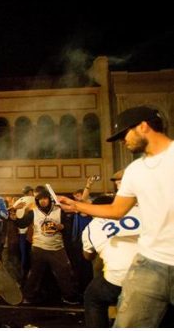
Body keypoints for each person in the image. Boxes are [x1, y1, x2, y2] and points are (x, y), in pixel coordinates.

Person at [58, 106, 173, 327]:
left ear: (143, 126)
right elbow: (116, 211)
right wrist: (76, 206)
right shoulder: (135, 171)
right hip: (149, 262)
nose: (122, 141)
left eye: (124, 134)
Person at [81, 194, 141, 327]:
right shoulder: (139, 211)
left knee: (92, 298)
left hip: (121, 276)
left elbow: (88, 256)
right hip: (158, 268)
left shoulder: (92, 226)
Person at [10, 189, 78, 305]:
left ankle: (69, 296)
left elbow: (68, 225)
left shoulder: (58, 211)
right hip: (39, 248)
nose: (43, 201)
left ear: (49, 199)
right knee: (34, 274)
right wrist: (13, 214)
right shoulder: (34, 212)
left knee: (64, 273)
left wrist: (62, 226)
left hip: (57, 247)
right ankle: (28, 296)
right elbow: (22, 223)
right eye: (40, 199)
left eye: (45, 198)